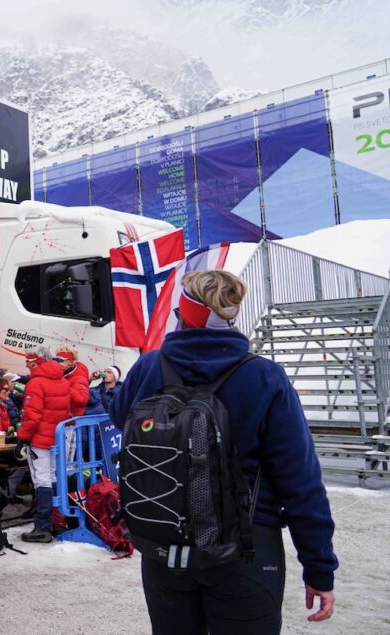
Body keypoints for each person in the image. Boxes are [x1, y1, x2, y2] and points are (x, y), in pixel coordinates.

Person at [109, 271, 338, 633]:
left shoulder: (150, 366)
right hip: (245, 549)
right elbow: (301, 481)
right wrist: (319, 566)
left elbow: (118, 415)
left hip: (164, 544)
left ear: (182, 313)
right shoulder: (264, 377)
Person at [15, 347, 71, 544]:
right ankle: (58, 521)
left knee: (42, 480)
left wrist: (22, 437)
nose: (26, 367)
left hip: (40, 440)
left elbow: (32, 416)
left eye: (28, 363)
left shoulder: (36, 383)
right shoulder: (63, 380)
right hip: (57, 438)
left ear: (36, 362)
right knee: (54, 477)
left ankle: (42, 526)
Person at [55, 345, 90, 417]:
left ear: (70, 362)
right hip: (59, 416)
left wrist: (63, 385)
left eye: (61, 360)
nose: (57, 363)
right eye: (56, 360)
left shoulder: (79, 378)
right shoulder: (61, 374)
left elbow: (82, 400)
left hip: (70, 422)